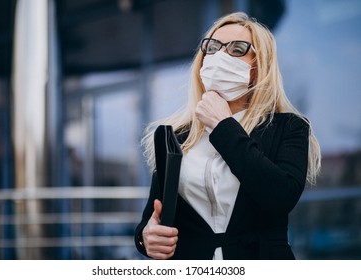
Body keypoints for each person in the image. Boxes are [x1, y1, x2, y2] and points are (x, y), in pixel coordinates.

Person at [134, 12, 321, 260]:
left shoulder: (289, 127)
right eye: (212, 48)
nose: (219, 56)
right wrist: (146, 237)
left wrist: (223, 126)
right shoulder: (176, 135)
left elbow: (280, 197)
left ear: (258, 67)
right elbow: (152, 219)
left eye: (237, 49)